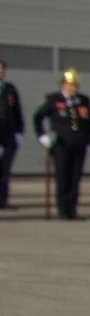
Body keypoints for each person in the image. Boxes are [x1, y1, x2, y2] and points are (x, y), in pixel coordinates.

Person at [33, 68, 90, 220]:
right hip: (62, 145)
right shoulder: (54, 101)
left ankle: (72, 209)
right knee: (63, 176)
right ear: (63, 85)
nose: (74, 88)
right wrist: (42, 136)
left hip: (79, 144)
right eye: (71, 85)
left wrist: (89, 140)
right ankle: (62, 209)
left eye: (76, 85)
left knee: (75, 178)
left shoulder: (83, 101)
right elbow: (37, 117)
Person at [0, 59, 24, 210]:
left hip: (8, 134)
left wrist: (19, 131)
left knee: (5, 169)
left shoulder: (10, 89)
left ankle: (3, 200)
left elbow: (17, 111)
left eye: (1, 69)